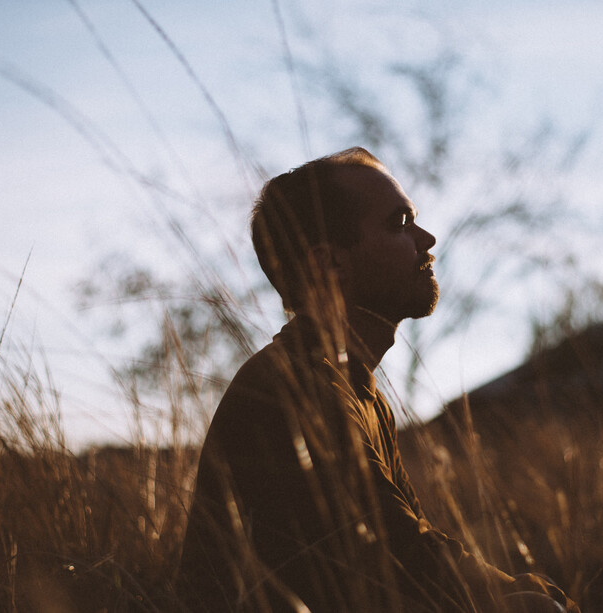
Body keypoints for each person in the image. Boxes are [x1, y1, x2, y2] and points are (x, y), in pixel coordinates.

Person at [176, 148, 577, 613]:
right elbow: (396, 556)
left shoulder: (357, 389)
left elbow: (409, 538)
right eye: (400, 223)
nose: (426, 239)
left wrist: (516, 587)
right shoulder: (298, 389)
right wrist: (512, 597)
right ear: (329, 264)